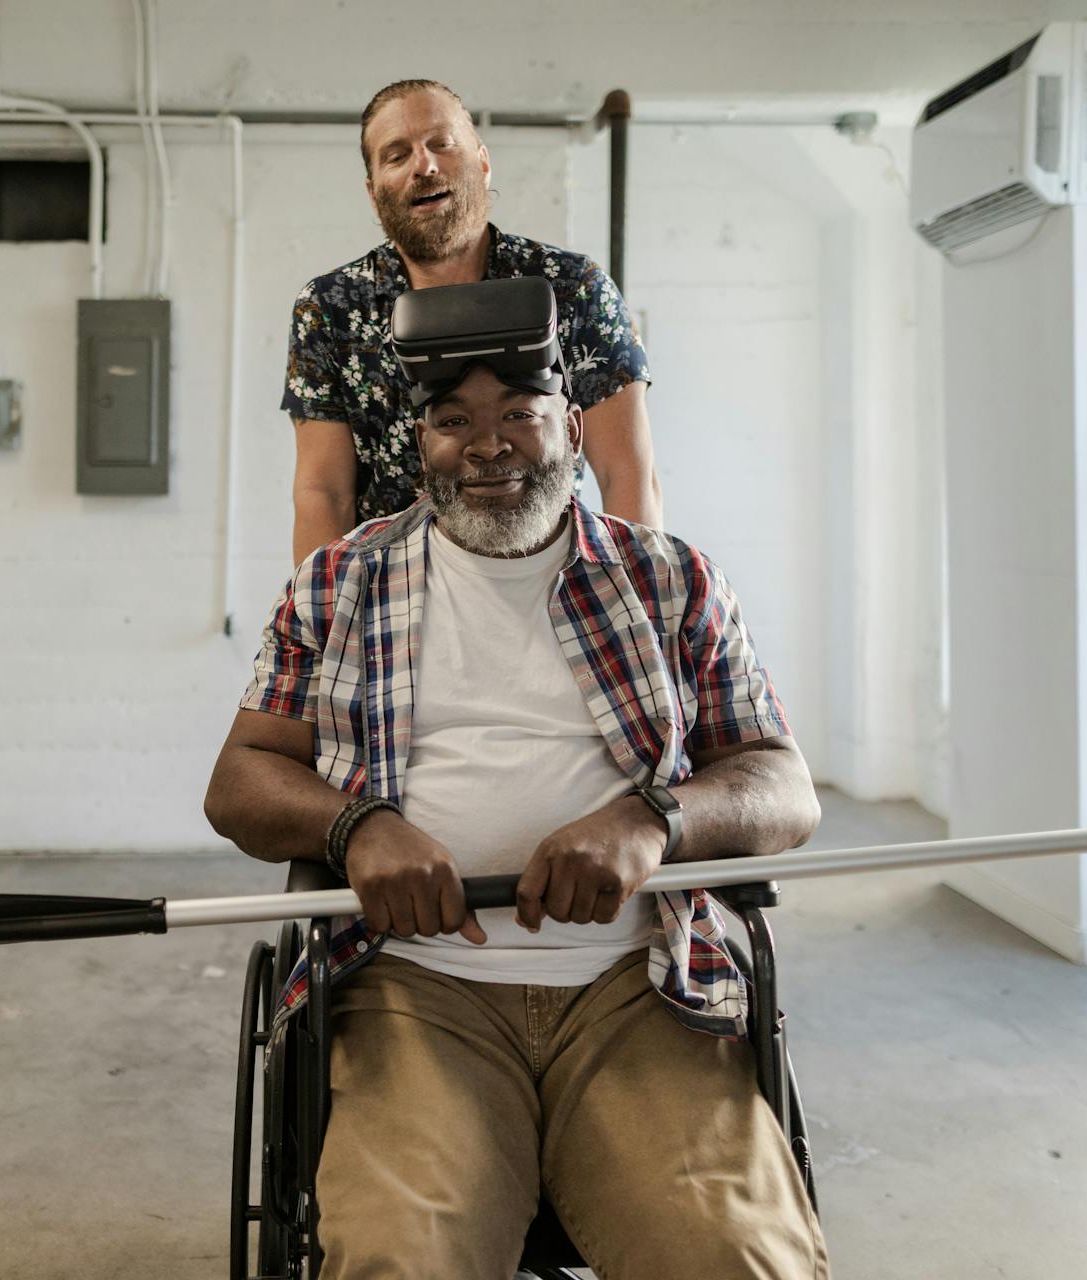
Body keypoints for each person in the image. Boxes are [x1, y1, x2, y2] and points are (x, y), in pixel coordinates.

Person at [208, 279, 829, 1279]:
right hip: (416, 988)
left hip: (639, 986)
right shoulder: (338, 584)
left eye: (519, 416)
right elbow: (239, 780)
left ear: (574, 429)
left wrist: (651, 821)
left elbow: (784, 787)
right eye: (454, 420)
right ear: (422, 443)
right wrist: (358, 827)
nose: (486, 445)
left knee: (742, 1260)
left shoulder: (672, 580)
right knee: (398, 1260)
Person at [282, 77, 661, 564]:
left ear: (482, 162)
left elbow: (627, 472)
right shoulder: (330, 308)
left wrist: (638, 609)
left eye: (442, 143)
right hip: (393, 601)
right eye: (397, 155)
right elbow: (322, 492)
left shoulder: (572, 288)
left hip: (546, 580)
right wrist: (322, 624)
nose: (425, 164)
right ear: (374, 194)